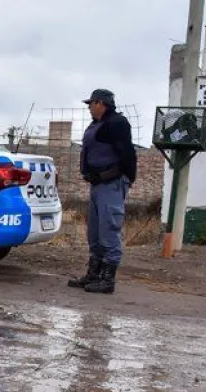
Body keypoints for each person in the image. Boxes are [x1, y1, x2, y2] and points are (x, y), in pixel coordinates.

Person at [68, 89, 137, 295]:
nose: (89, 107)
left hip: (112, 183)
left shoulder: (117, 123)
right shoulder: (96, 124)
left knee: (109, 230)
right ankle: (94, 274)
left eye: (91, 103)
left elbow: (128, 153)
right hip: (97, 184)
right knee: (95, 233)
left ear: (101, 103)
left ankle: (108, 280)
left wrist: (126, 179)